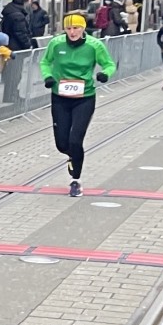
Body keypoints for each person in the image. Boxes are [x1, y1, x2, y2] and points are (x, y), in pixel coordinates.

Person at [39, 14, 116, 197]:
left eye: (76, 28)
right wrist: (48, 77)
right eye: (69, 28)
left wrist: (105, 73)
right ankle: (73, 155)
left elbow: (109, 64)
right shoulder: (56, 44)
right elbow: (45, 62)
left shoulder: (94, 45)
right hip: (60, 97)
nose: (72, 32)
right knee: (62, 143)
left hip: (84, 97)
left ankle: (76, 181)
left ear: (83, 29)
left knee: (75, 140)